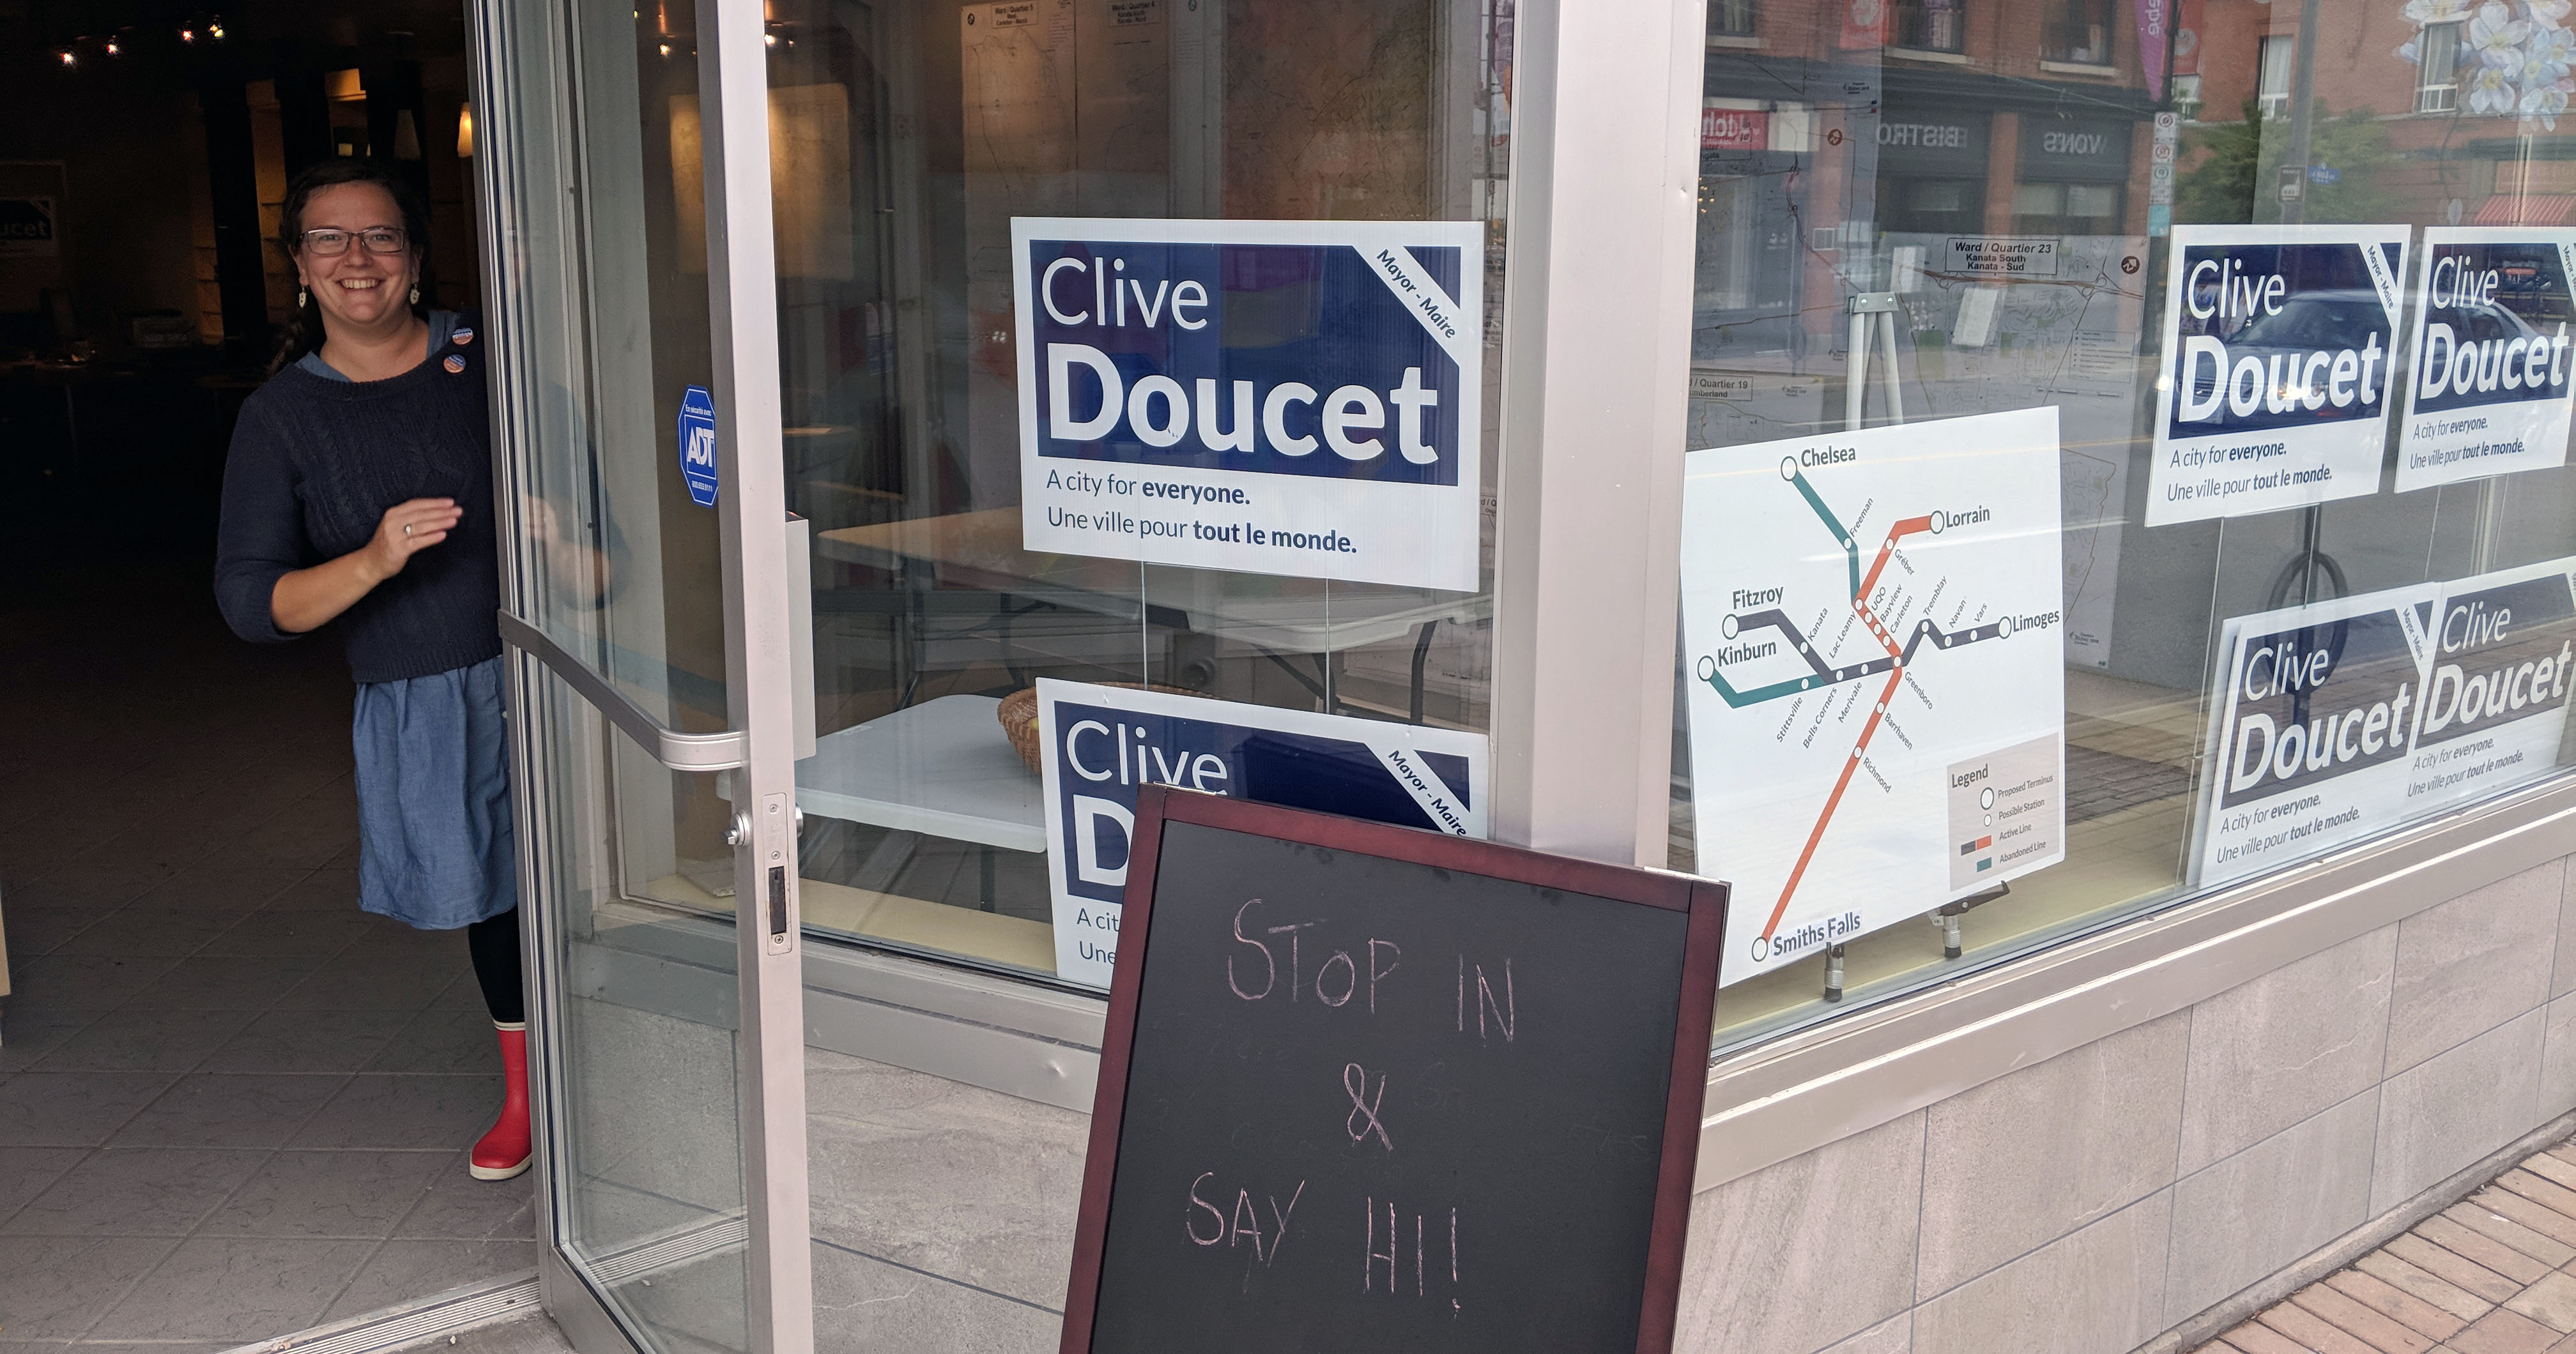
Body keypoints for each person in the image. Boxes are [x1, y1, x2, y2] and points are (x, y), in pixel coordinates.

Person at [214, 160, 529, 1182]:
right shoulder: (281, 417)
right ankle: (527, 1097)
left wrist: (570, 551)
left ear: (416, 255)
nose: (358, 258)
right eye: (329, 238)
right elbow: (252, 603)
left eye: (381, 235)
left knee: (588, 884)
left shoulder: (494, 356)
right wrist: (374, 561)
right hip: (426, 694)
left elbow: (602, 523)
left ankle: (614, 1067)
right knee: (497, 902)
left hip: (548, 671)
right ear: (300, 265)